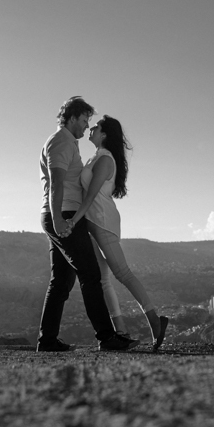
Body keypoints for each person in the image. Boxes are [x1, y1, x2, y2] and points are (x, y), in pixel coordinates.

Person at [37, 97, 138, 353]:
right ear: (71, 118)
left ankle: (47, 340)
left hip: (60, 214)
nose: (85, 127)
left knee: (60, 281)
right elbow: (57, 182)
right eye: (83, 121)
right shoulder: (61, 141)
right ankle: (106, 337)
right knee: (90, 275)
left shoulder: (68, 142)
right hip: (63, 214)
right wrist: (59, 219)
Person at [67, 116, 170, 352]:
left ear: (104, 134)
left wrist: (73, 220)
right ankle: (120, 332)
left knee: (122, 273)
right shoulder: (96, 157)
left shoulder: (105, 159)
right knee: (103, 279)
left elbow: (91, 195)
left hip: (102, 222)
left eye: (96, 127)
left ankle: (154, 319)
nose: (90, 129)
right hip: (92, 222)